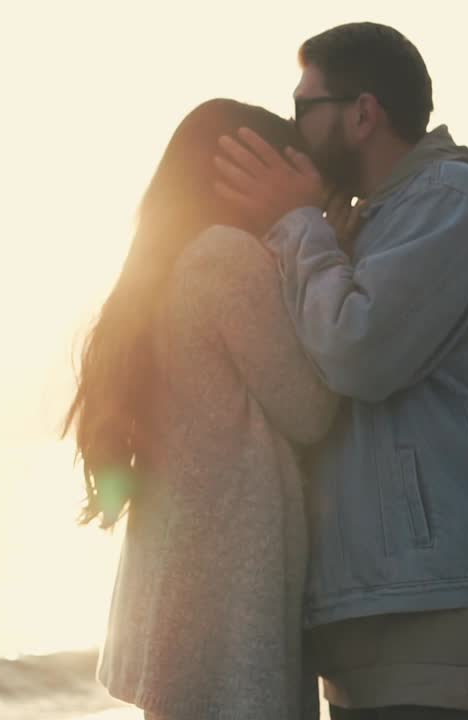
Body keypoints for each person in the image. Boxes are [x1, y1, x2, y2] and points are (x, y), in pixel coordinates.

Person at [214, 22, 468, 720]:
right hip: (394, 617)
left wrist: (300, 222)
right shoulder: (377, 220)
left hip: (437, 619)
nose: (293, 128)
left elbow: (356, 352)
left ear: (364, 114)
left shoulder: (451, 201)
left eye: (306, 107)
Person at [62, 99, 344, 719]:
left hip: (182, 598)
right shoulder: (225, 258)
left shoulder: (167, 264)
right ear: (235, 171)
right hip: (225, 604)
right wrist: (312, 232)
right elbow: (313, 410)